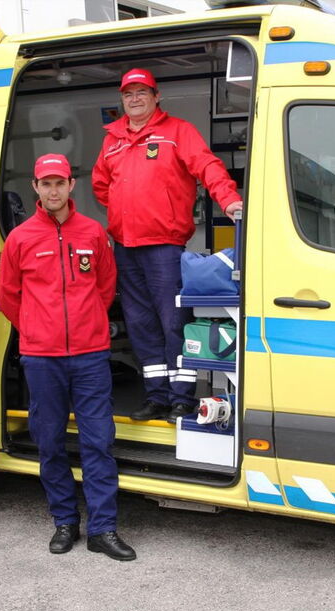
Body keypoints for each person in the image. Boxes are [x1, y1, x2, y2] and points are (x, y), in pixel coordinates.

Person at [0, 153, 135, 561]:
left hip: (90, 356)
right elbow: (8, 296)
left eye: (60, 182)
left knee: (98, 442)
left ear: (71, 185)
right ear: (36, 188)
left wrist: (86, 323)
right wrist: (36, 329)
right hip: (42, 358)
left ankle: (103, 530)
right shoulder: (20, 239)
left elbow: (105, 287)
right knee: (50, 442)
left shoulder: (93, 233)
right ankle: (64, 522)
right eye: (46, 183)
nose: (53, 190)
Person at [92, 67, 243, 423]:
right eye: (128, 94)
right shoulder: (112, 140)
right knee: (140, 324)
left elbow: (207, 166)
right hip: (125, 246)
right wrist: (125, 212)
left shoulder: (178, 132)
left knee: (173, 322)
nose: (135, 99)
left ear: (156, 96)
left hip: (164, 245)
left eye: (142, 92)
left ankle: (181, 398)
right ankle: (156, 396)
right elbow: (101, 185)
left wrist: (228, 199)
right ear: (122, 100)